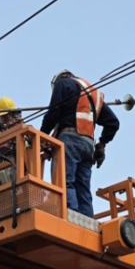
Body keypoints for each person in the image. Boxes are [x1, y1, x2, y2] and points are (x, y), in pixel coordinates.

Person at [40, 70, 119, 218]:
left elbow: (53, 113)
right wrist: (101, 144)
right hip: (88, 145)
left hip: (69, 140)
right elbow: (113, 123)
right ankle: (87, 220)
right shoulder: (94, 94)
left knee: (65, 181)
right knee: (83, 187)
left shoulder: (63, 84)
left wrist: (41, 137)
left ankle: (71, 217)